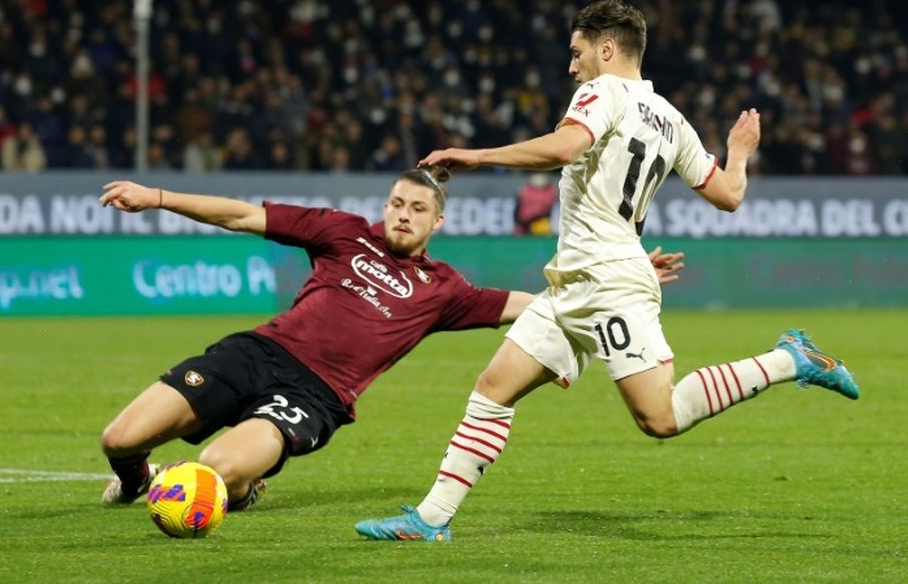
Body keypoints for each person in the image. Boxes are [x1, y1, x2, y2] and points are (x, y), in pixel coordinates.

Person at [355, 0, 860, 542]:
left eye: (577, 54)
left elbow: (565, 147)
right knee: (493, 387)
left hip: (606, 283)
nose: (572, 67)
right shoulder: (672, 120)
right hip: (581, 278)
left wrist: (475, 156)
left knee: (659, 417)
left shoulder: (602, 92)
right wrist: (739, 153)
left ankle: (790, 360)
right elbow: (730, 194)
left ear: (607, 48)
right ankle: (431, 520)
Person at [97, 167, 685, 511]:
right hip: (256, 353)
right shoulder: (342, 233)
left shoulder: (445, 289)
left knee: (214, 469)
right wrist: (158, 198)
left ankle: (245, 485)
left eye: (418, 208)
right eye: (397, 203)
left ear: (438, 222)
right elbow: (242, 216)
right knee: (118, 437)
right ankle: (136, 480)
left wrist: (620, 279)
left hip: (313, 396)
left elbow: (540, 306)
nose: (403, 214)